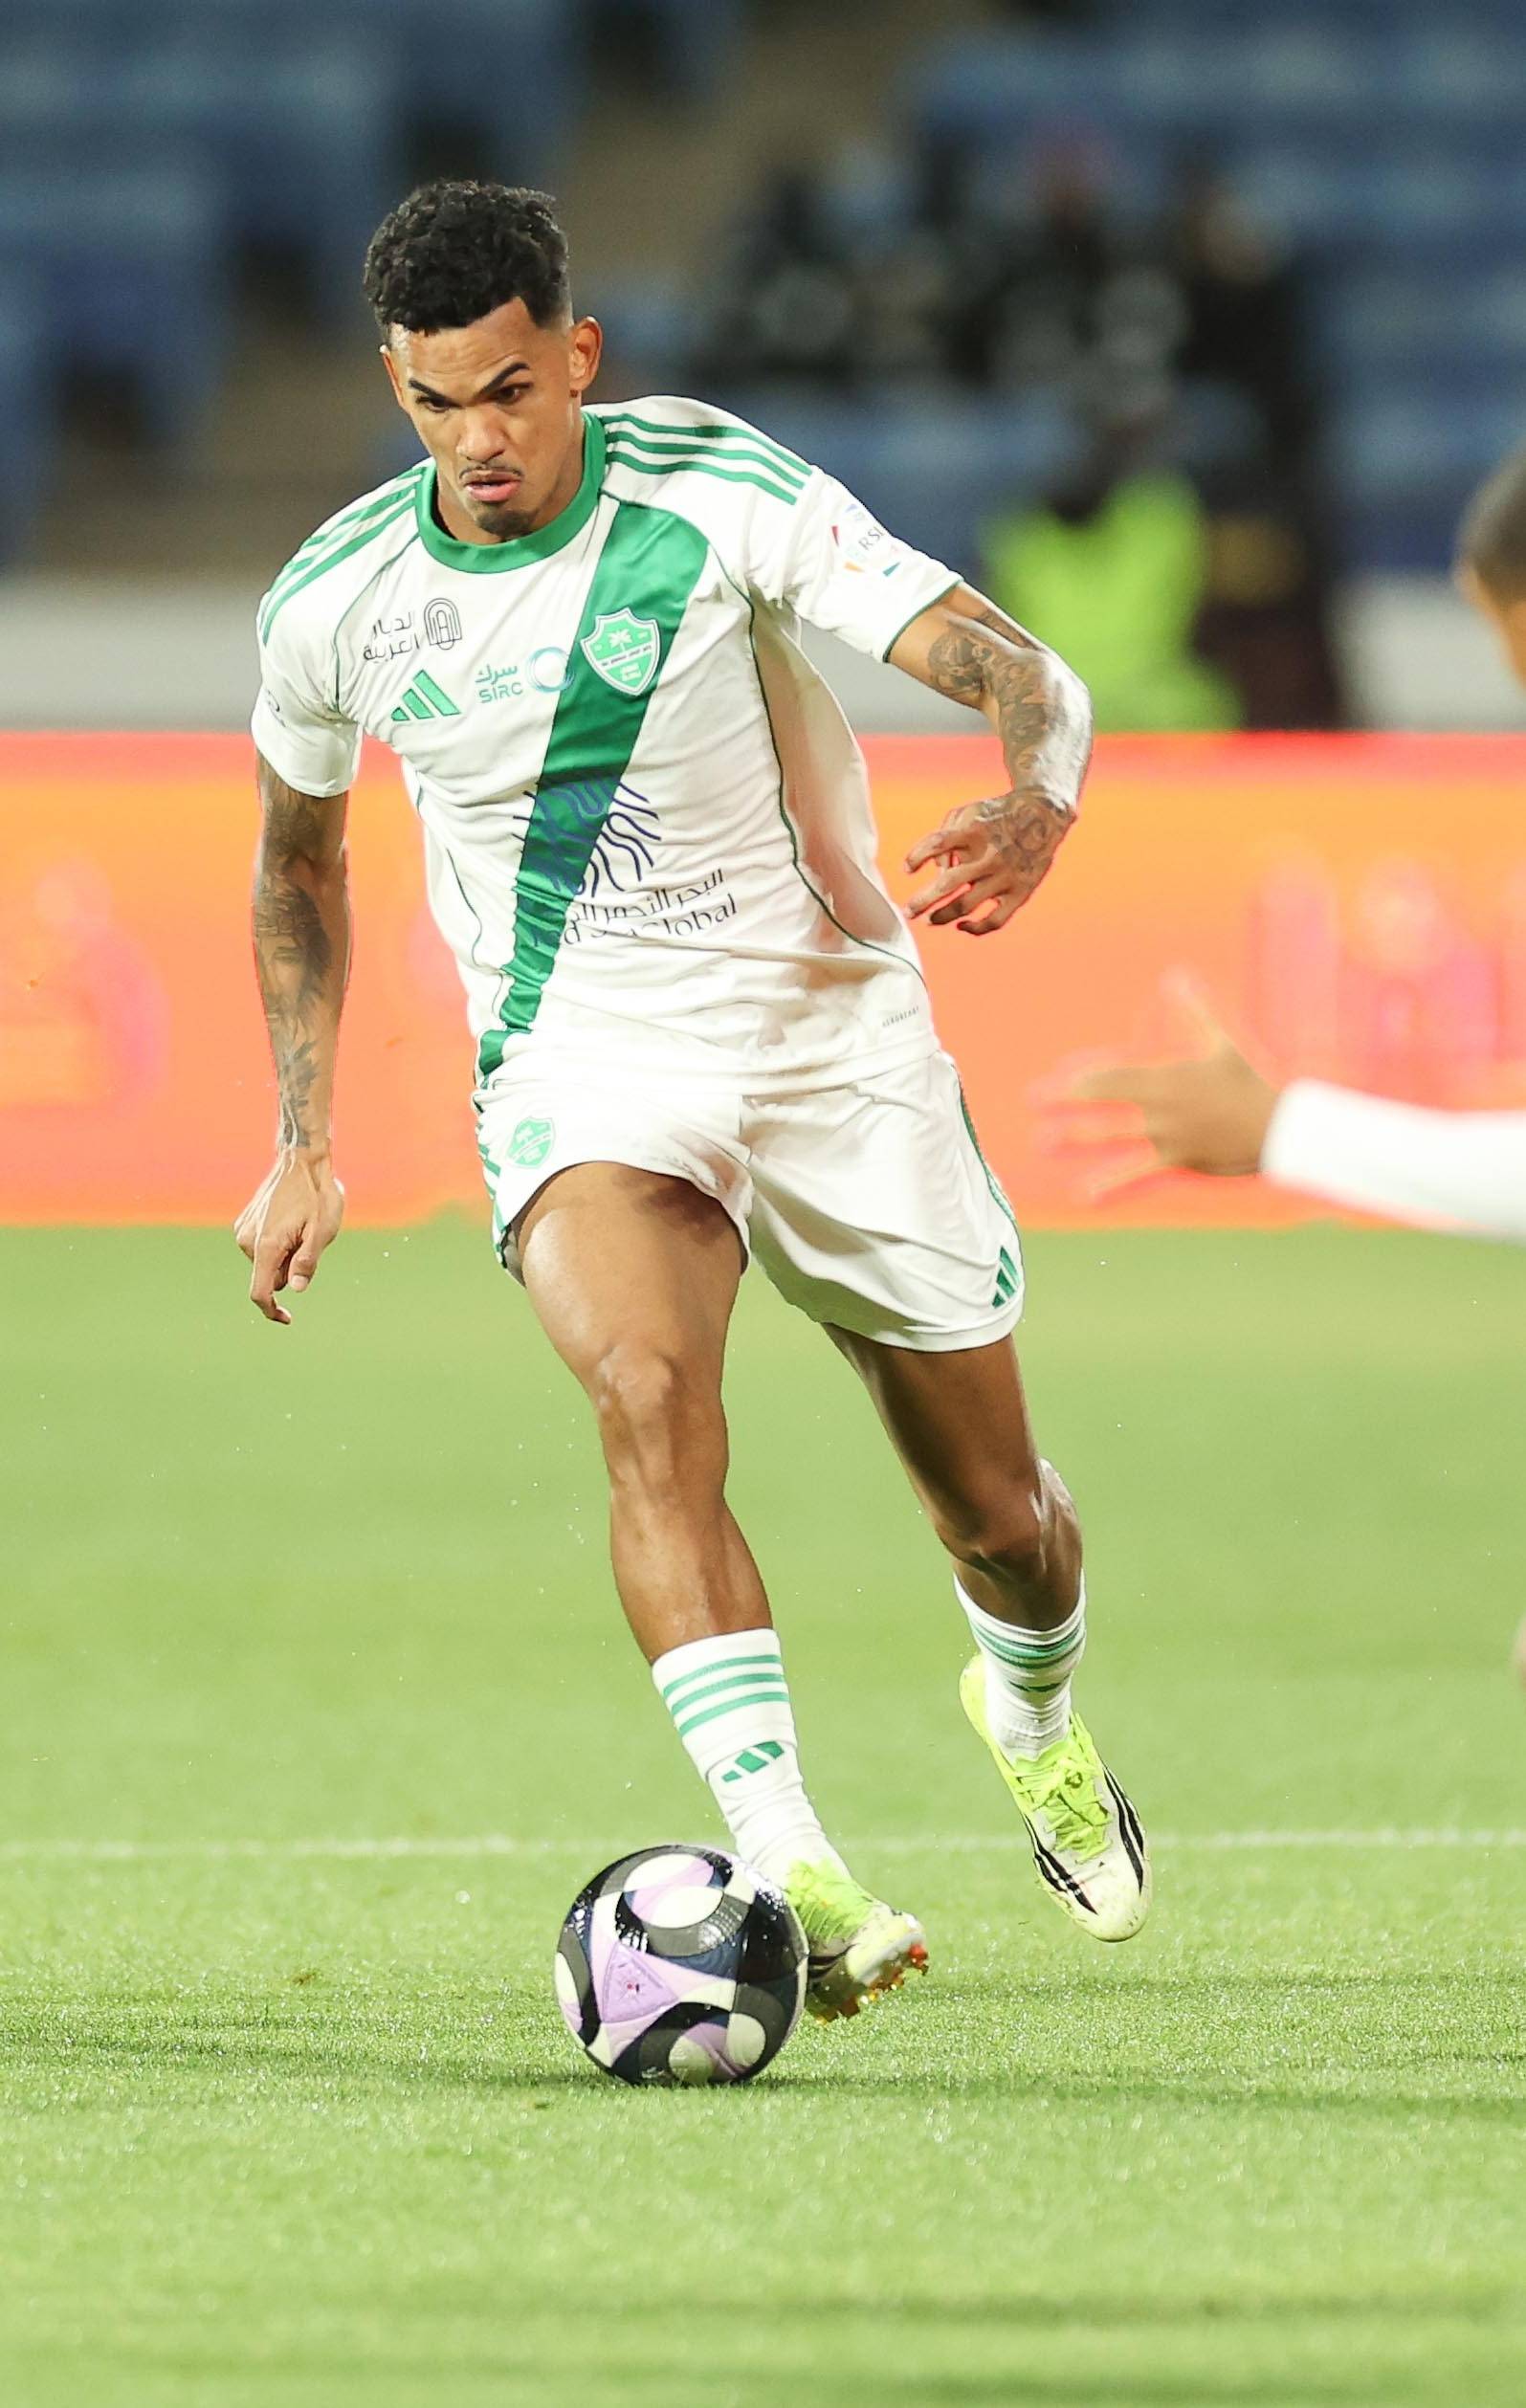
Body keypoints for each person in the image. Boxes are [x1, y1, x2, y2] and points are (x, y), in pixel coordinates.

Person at [234, 179, 1151, 2025]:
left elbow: (1012, 664)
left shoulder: (716, 489)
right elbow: (296, 865)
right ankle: (791, 1858)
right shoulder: (335, 602)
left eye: (511, 391)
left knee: (1004, 1520)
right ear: (396, 386)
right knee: (649, 1402)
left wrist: (1039, 796)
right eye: (436, 403)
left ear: (578, 356)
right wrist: (303, 1137)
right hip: (584, 1058)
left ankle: (1032, 1709)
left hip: (830, 1037)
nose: (478, 442)